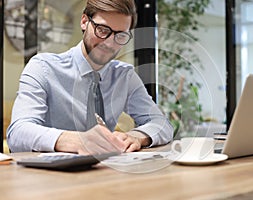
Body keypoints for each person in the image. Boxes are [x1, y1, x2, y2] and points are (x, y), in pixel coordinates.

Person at [6, 0, 173, 154]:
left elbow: (162, 124)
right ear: (84, 21)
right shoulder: (43, 68)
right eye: (102, 30)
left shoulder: (124, 76)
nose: (110, 43)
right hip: (50, 179)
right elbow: (18, 133)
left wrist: (137, 136)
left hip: (104, 175)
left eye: (121, 35)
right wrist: (76, 141)